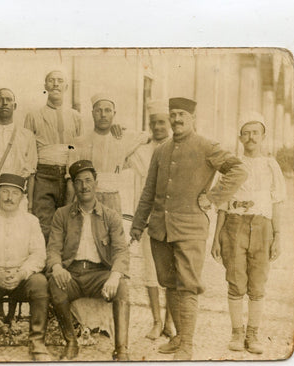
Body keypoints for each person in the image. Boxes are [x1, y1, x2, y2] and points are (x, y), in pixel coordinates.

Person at [130, 97, 248, 360]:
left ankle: (188, 345)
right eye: (173, 115)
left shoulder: (206, 146)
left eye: (182, 115)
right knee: (169, 284)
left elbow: (238, 170)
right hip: (160, 230)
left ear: (193, 118)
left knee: (188, 286)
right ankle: (178, 338)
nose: (177, 120)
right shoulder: (161, 150)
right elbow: (149, 190)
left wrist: (213, 197)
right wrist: (138, 224)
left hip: (190, 229)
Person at [211, 112, 286, 354]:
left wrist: (277, 237)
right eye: (247, 132)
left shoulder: (270, 165)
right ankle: (237, 333)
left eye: (256, 132)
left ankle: (252, 334)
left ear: (263, 136)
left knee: (258, 284)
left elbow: (277, 202)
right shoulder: (232, 165)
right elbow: (221, 203)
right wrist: (216, 238)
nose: (251, 137)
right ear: (240, 137)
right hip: (235, 225)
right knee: (235, 281)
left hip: (262, 227)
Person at [47, 160, 130, 361]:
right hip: (72, 274)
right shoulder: (62, 214)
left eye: (88, 181)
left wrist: (114, 276)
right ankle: (71, 342)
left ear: (96, 183)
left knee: (122, 288)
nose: (84, 186)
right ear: (73, 186)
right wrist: (57, 267)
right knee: (55, 286)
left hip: (99, 274)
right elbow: (53, 248)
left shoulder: (110, 216)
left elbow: (121, 251)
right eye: (79, 182)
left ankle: (121, 349)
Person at [0, 173, 51, 361]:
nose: (9, 197)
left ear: (22, 197)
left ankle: (37, 341)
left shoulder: (31, 221)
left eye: (15, 193)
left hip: (21, 279)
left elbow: (39, 255)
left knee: (39, 282)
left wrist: (22, 273)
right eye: (4, 192)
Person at [126, 99, 175, 340]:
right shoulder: (142, 151)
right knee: (151, 270)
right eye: (153, 123)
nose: (158, 126)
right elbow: (122, 152)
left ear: (170, 123)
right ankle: (156, 321)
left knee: (173, 272)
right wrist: (139, 137)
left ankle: (170, 323)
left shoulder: (178, 148)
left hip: (174, 221)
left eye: (162, 122)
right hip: (149, 220)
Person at [23, 70, 83, 242]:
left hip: (68, 177)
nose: (55, 84)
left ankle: (60, 265)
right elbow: (29, 151)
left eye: (59, 80)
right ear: (45, 86)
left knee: (68, 223)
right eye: (51, 80)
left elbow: (79, 149)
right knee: (43, 224)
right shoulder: (34, 115)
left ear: (66, 86)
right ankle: (44, 264)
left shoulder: (75, 116)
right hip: (44, 175)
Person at [69, 93, 149, 214]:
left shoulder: (122, 138)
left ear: (114, 114)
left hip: (112, 200)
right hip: (86, 200)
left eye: (108, 110)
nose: (103, 115)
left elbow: (149, 137)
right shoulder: (79, 142)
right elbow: (71, 180)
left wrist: (123, 127)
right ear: (92, 113)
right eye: (98, 111)